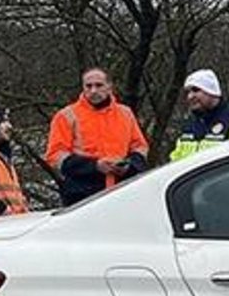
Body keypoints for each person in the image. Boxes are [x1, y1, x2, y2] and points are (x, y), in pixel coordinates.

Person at [45, 67, 150, 206]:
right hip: (82, 193)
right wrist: (94, 166)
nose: (93, 90)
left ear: (109, 86)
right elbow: (55, 155)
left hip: (123, 188)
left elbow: (140, 147)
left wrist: (129, 166)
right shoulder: (66, 116)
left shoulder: (125, 113)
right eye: (88, 86)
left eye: (99, 85)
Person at [169, 69, 229, 162]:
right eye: (188, 92)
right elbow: (175, 163)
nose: (190, 96)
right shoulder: (189, 126)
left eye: (196, 90)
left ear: (211, 91)